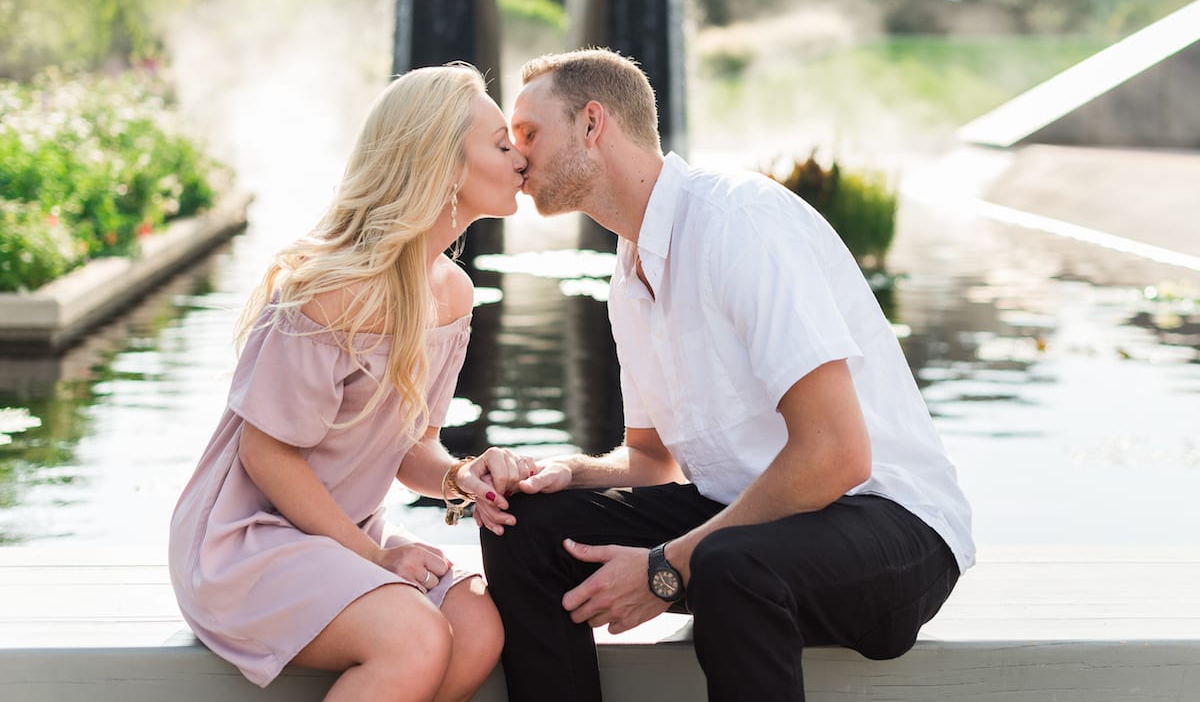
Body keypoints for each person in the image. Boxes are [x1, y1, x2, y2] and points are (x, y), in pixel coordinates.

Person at [477, 48, 976, 702]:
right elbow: (651, 460)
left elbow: (837, 455)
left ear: (593, 124)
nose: (517, 158)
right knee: (526, 521)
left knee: (727, 563)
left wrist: (663, 568)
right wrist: (568, 469)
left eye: (530, 134)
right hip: (750, 519)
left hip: (890, 527)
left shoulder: (740, 224)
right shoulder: (629, 276)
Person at [168, 63, 535, 702]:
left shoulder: (453, 296)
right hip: (247, 542)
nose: (521, 160)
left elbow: (409, 450)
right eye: (503, 145)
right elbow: (266, 455)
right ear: (444, 166)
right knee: (415, 637)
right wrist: (373, 562)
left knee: (476, 622)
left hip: (341, 538)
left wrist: (459, 476)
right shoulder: (332, 291)